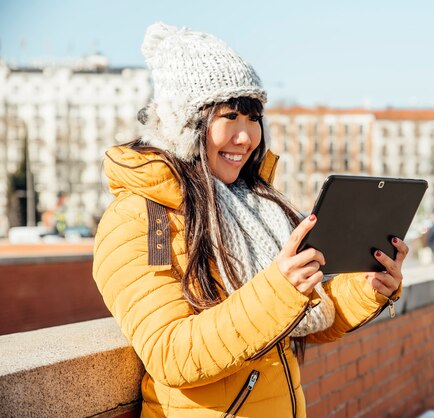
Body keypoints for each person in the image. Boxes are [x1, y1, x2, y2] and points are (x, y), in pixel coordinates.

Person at [92, 22, 406, 418]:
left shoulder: (257, 206)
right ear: (186, 126)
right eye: (230, 117)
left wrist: (369, 287)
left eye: (253, 117)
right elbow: (170, 354)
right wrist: (280, 288)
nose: (246, 137)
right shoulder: (139, 217)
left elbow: (302, 318)